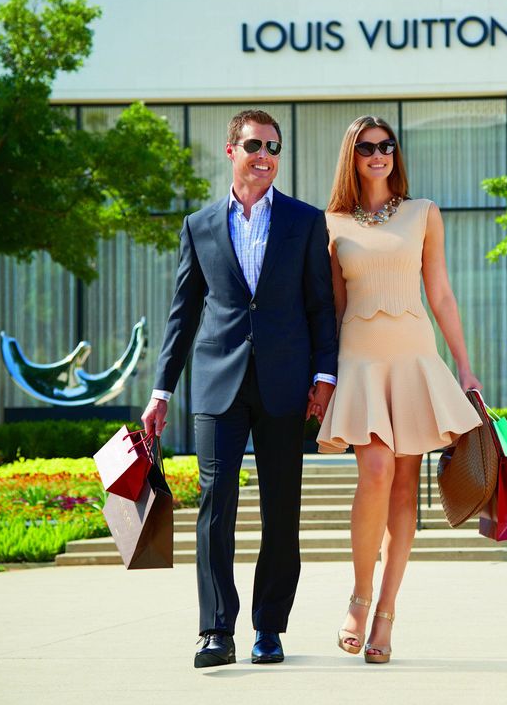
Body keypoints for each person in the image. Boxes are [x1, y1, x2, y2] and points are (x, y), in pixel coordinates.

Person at [142, 109, 338, 668]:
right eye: (255, 144)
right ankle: (215, 630)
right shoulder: (199, 225)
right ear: (231, 150)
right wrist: (161, 391)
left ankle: (269, 628)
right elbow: (183, 315)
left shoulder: (305, 221)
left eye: (274, 147)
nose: (265, 155)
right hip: (216, 382)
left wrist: (325, 378)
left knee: (281, 510)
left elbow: (321, 307)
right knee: (215, 504)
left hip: (285, 385)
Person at [314, 115, 482, 664]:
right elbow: (333, 308)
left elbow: (442, 294)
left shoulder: (423, 214)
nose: (378, 155)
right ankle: (359, 600)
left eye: (387, 146)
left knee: (406, 490)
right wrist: (325, 375)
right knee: (377, 471)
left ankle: (386, 616)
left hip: (414, 358)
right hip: (360, 360)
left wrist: (464, 366)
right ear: (352, 156)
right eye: (367, 148)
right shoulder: (332, 224)